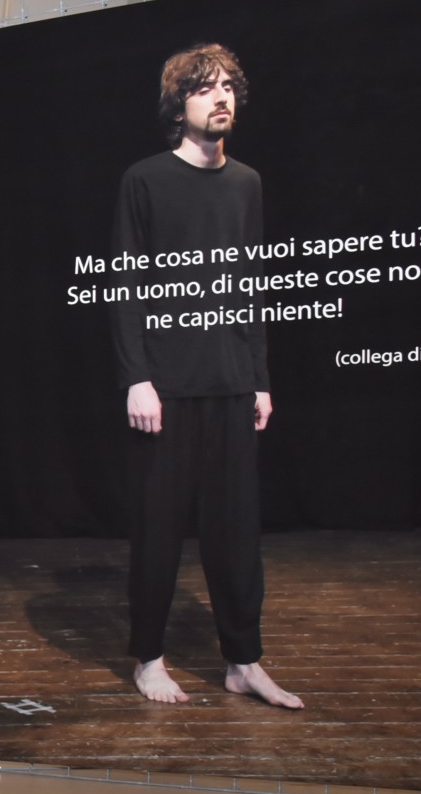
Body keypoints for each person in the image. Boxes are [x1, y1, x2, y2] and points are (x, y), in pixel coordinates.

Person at [116, 44, 301, 710]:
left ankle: (243, 661)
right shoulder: (144, 180)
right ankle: (149, 659)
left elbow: (251, 285)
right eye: (203, 87)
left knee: (237, 534)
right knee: (159, 533)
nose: (220, 96)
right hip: (166, 388)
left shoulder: (246, 183)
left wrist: (260, 377)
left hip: (230, 383)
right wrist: (137, 377)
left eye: (227, 86)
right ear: (179, 105)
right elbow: (126, 286)